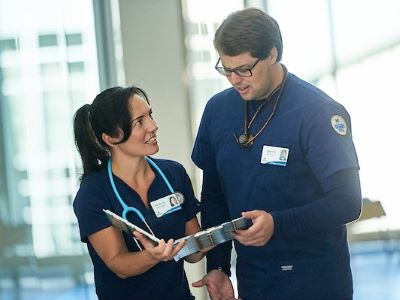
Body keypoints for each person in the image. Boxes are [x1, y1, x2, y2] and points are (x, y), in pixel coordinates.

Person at [191, 8, 362, 300]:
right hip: (255, 278)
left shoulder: (318, 112)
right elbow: (214, 197)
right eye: (226, 68)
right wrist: (218, 265)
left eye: (244, 69)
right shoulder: (217, 110)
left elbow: (347, 203)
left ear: (272, 54)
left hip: (315, 280)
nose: (234, 79)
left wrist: (277, 224)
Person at [73, 85, 204, 300]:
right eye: (139, 122)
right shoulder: (93, 193)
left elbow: (193, 253)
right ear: (111, 138)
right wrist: (152, 256)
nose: (153, 126)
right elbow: (118, 265)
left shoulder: (173, 174)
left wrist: (217, 235)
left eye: (150, 115)